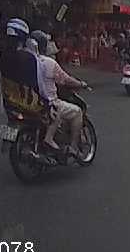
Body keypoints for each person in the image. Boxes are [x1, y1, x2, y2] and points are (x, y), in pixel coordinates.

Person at [31, 30, 90, 159]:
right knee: (77, 111)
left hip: (31, 102)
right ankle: (73, 148)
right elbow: (66, 79)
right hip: (49, 102)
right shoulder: (49, 63)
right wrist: (81, 84)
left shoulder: (28, 61)